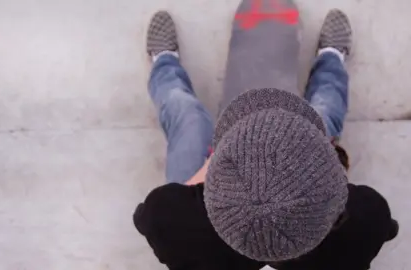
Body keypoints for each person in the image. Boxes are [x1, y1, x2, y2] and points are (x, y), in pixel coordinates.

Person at [134, 9, 399, 270]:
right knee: (324, 110)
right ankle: (331, 59)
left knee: (187, 116)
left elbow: (144, 217)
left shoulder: (173, 225)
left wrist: (216, 163)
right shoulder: (364, 221)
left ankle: (164, 63)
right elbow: (388, 229)